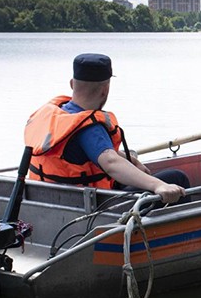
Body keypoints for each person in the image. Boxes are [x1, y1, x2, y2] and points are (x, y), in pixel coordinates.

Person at [24, 53, 188, 203]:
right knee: (176, 178)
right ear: (105, 90)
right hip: (92, 208)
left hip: (52, 201)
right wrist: (158, 186)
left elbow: (82, 154)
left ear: (72, 84)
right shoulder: (88, 126)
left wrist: (131, 161)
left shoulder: (57, 114)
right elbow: (110, 162)